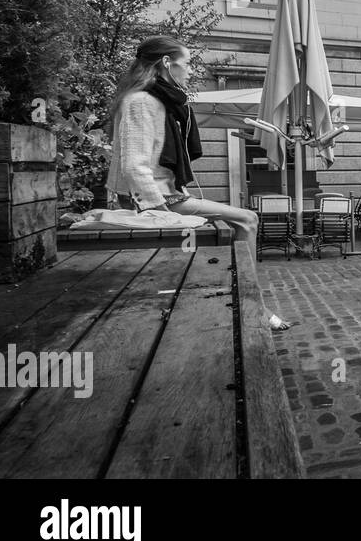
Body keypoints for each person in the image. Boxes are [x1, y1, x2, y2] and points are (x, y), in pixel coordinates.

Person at [106, 36, 288, 328]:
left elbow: (156, 162)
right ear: (167, 63)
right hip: (154, 203)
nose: (192, 71)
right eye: (187, 64)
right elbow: (134, 165)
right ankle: (252, 306)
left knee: (241, 222)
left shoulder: (156, 100)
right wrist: (160, 211)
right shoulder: (141, 101)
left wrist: (178, 189)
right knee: (247, 219)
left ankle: (242, 301)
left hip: (169, 197)